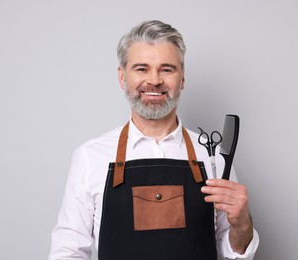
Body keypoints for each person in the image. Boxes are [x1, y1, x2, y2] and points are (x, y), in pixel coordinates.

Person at [48, 20, 259, 260]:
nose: (155, 80)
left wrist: (242, 224)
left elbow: (235, 253)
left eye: (167, 69)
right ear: (122, 77)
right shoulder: (90, 157)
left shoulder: (214, 159)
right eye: (141, 68)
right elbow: (68, 252)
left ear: (182, 78)